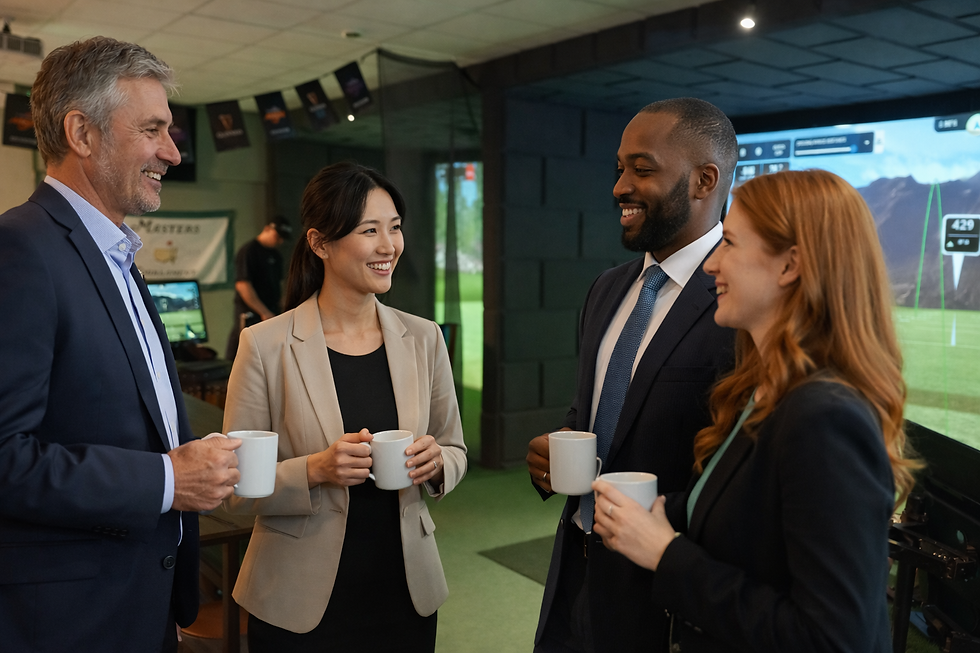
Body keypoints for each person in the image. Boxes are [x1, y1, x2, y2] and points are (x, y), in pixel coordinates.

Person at [592, 169, 917, 652]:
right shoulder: (764, 390)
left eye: (730, 244)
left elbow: (831, 639)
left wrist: (666, 555)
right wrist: (650, 513)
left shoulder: (825, 416)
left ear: (790, 266)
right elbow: (743, 522)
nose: (710, 265)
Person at [0, 37, 241, 653]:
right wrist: (165, 479)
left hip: (141, 600)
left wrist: (184, 459)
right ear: (82, 132)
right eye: (153, 130)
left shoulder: (116, 255)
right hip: (68, 620)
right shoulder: (21, 250)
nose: (173, 152)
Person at [222, 161, 467, 652]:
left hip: (405, 591)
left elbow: (453, 446)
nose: (388, 246)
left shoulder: (423, 338)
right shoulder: (265, 345)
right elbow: (235, 488)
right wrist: (316, 468)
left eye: (394, 228)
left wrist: (438, 463)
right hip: (299, 598)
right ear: (319, 243)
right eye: (369, 230)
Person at [526, 97, 738, 653]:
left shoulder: (741, 303)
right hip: (577, 568)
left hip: (665, 597)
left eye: (641, 169)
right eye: (619, 168)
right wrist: (554, 453)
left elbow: (742, 478)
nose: (620, 186)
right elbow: (591, 417)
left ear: (704, 180)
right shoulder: (608, 288)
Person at [224, 216, 292, 361]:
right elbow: (243, 285)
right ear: (267, 229)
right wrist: (264, 312)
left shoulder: (276, 255)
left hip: (272, 314)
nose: (279, 241)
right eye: (277, 236)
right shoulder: (249, 251)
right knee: (247, 356)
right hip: (252, 315)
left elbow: (279, 284)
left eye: (282, 239)